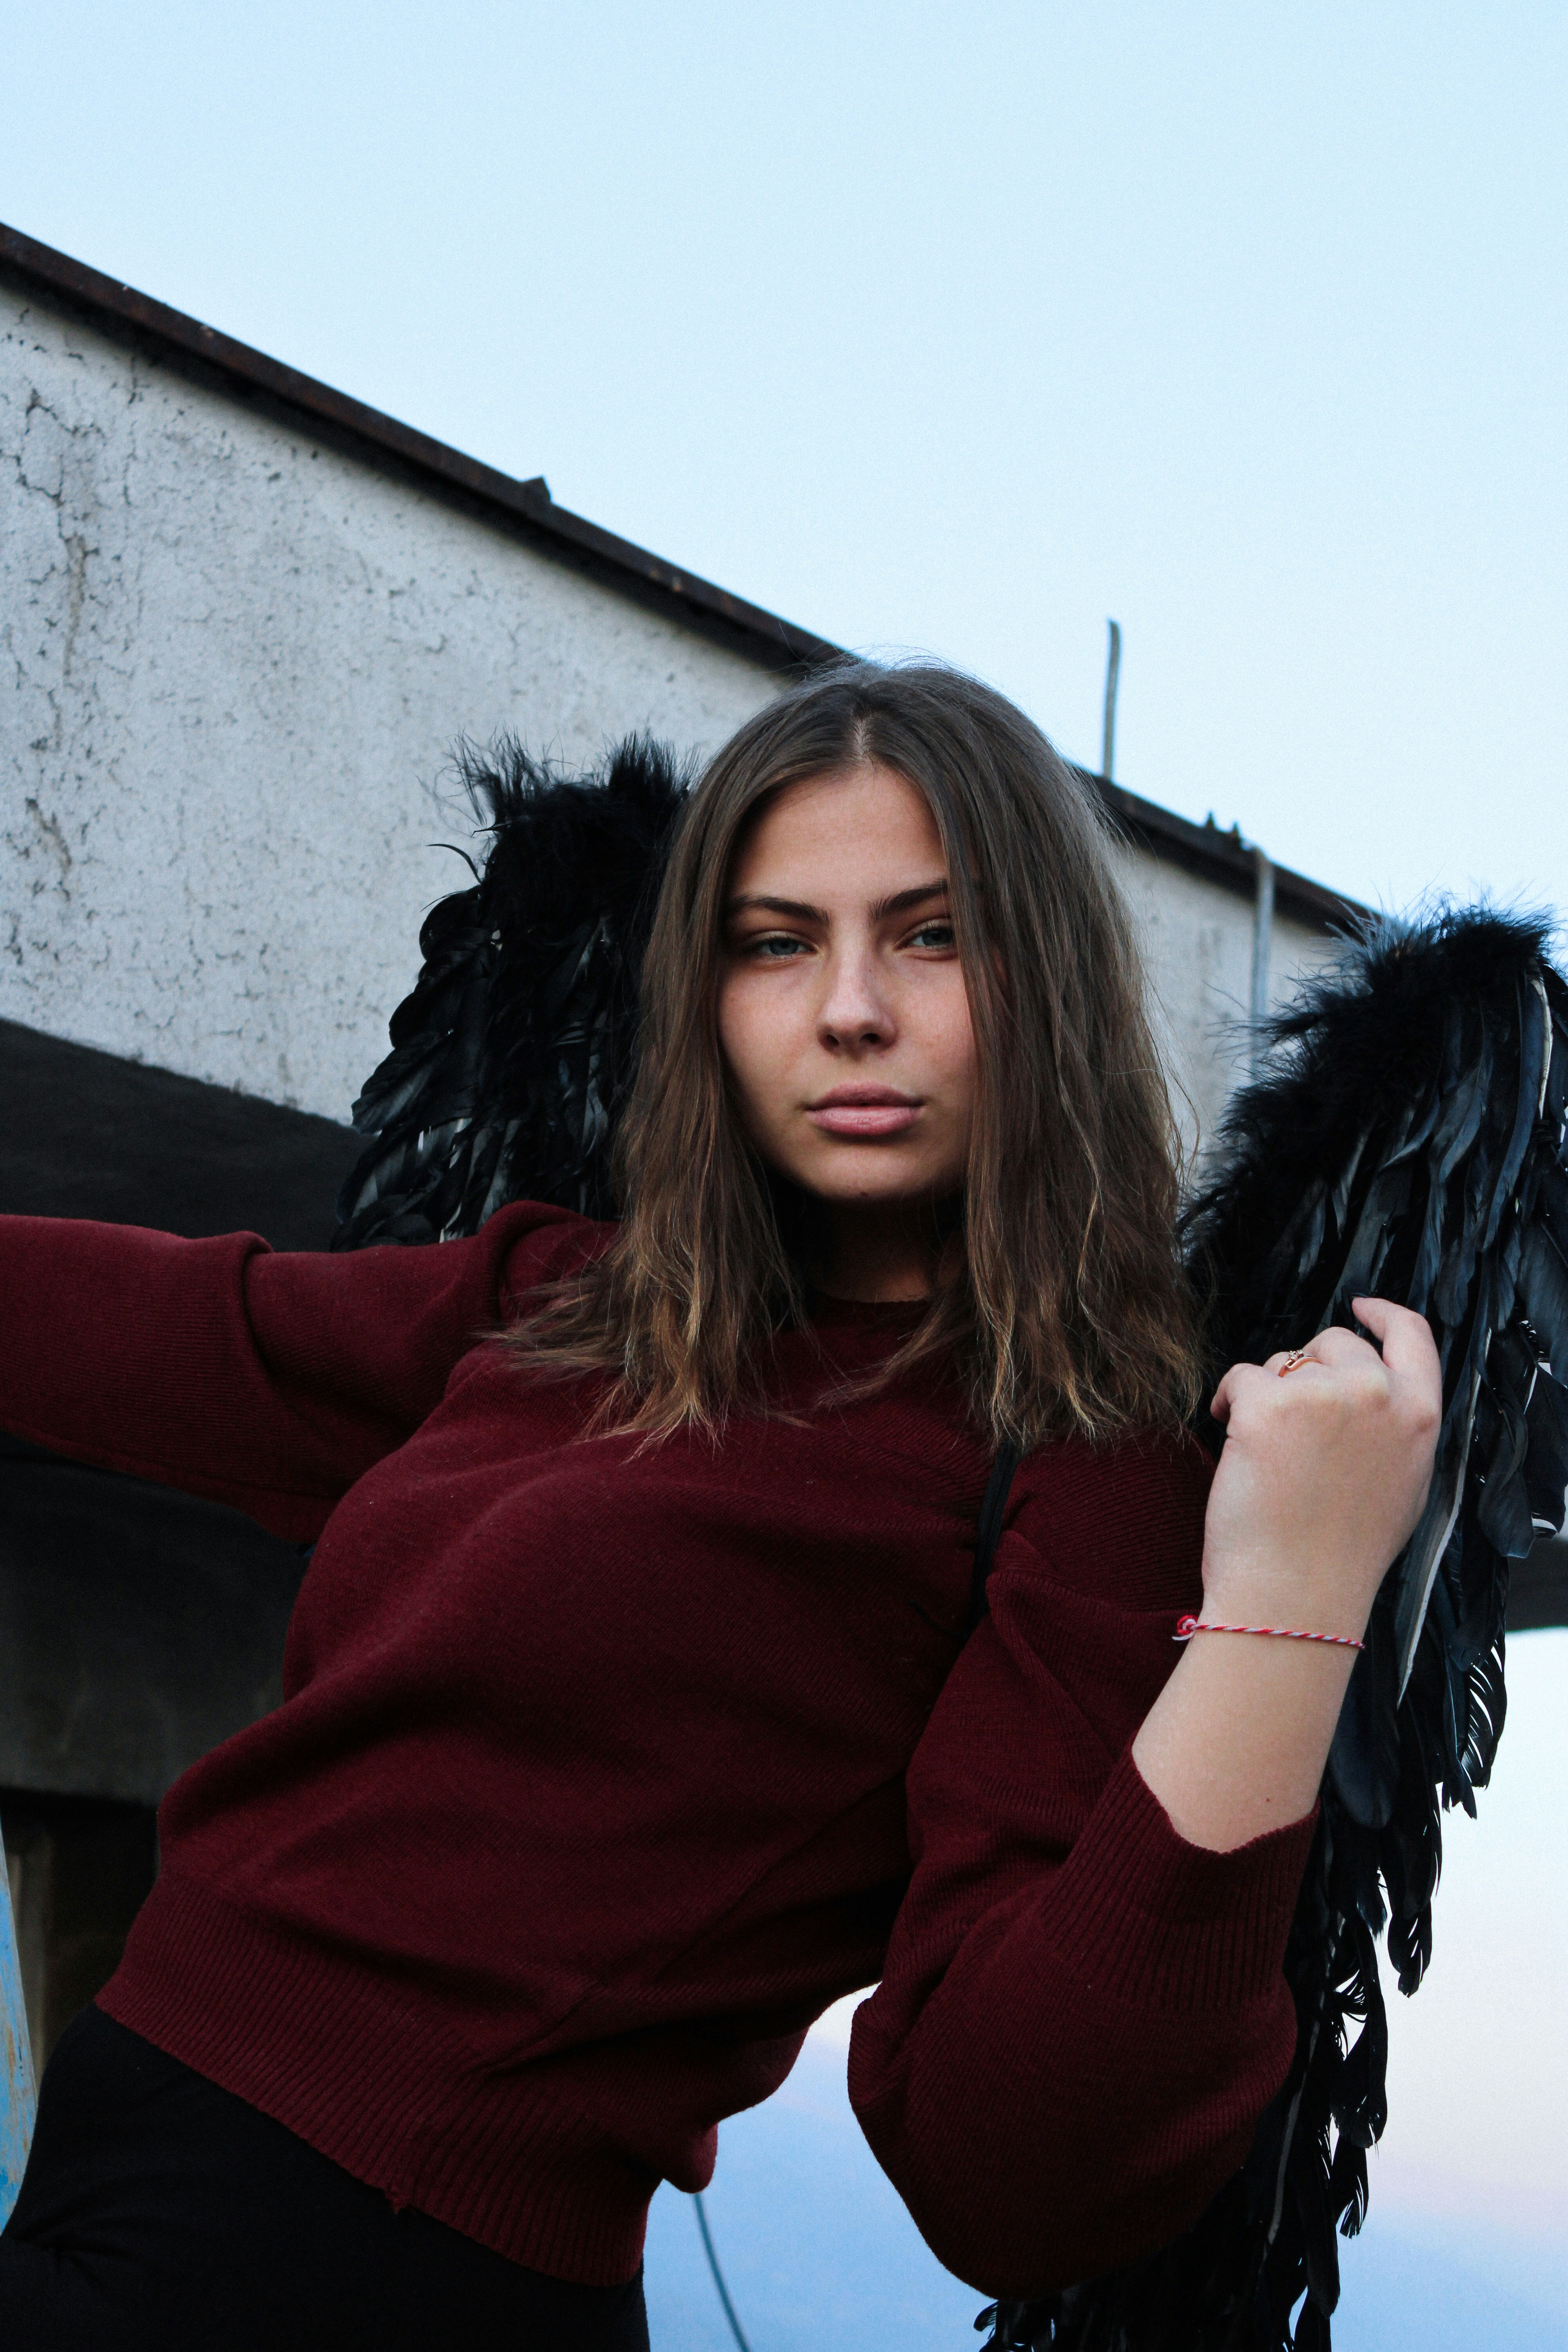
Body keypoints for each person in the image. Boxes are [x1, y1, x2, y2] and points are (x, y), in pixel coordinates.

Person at [0, 664, 1440, 2350]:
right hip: (112, 2159)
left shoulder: (1075, 1461)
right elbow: (161, 1330)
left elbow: (1016, 2172)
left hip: (359, 2271)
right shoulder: (568, 1301)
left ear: (1043, 978)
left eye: (929, 935)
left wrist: (1295, 1603)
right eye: (775, 942)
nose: (846, 1009)